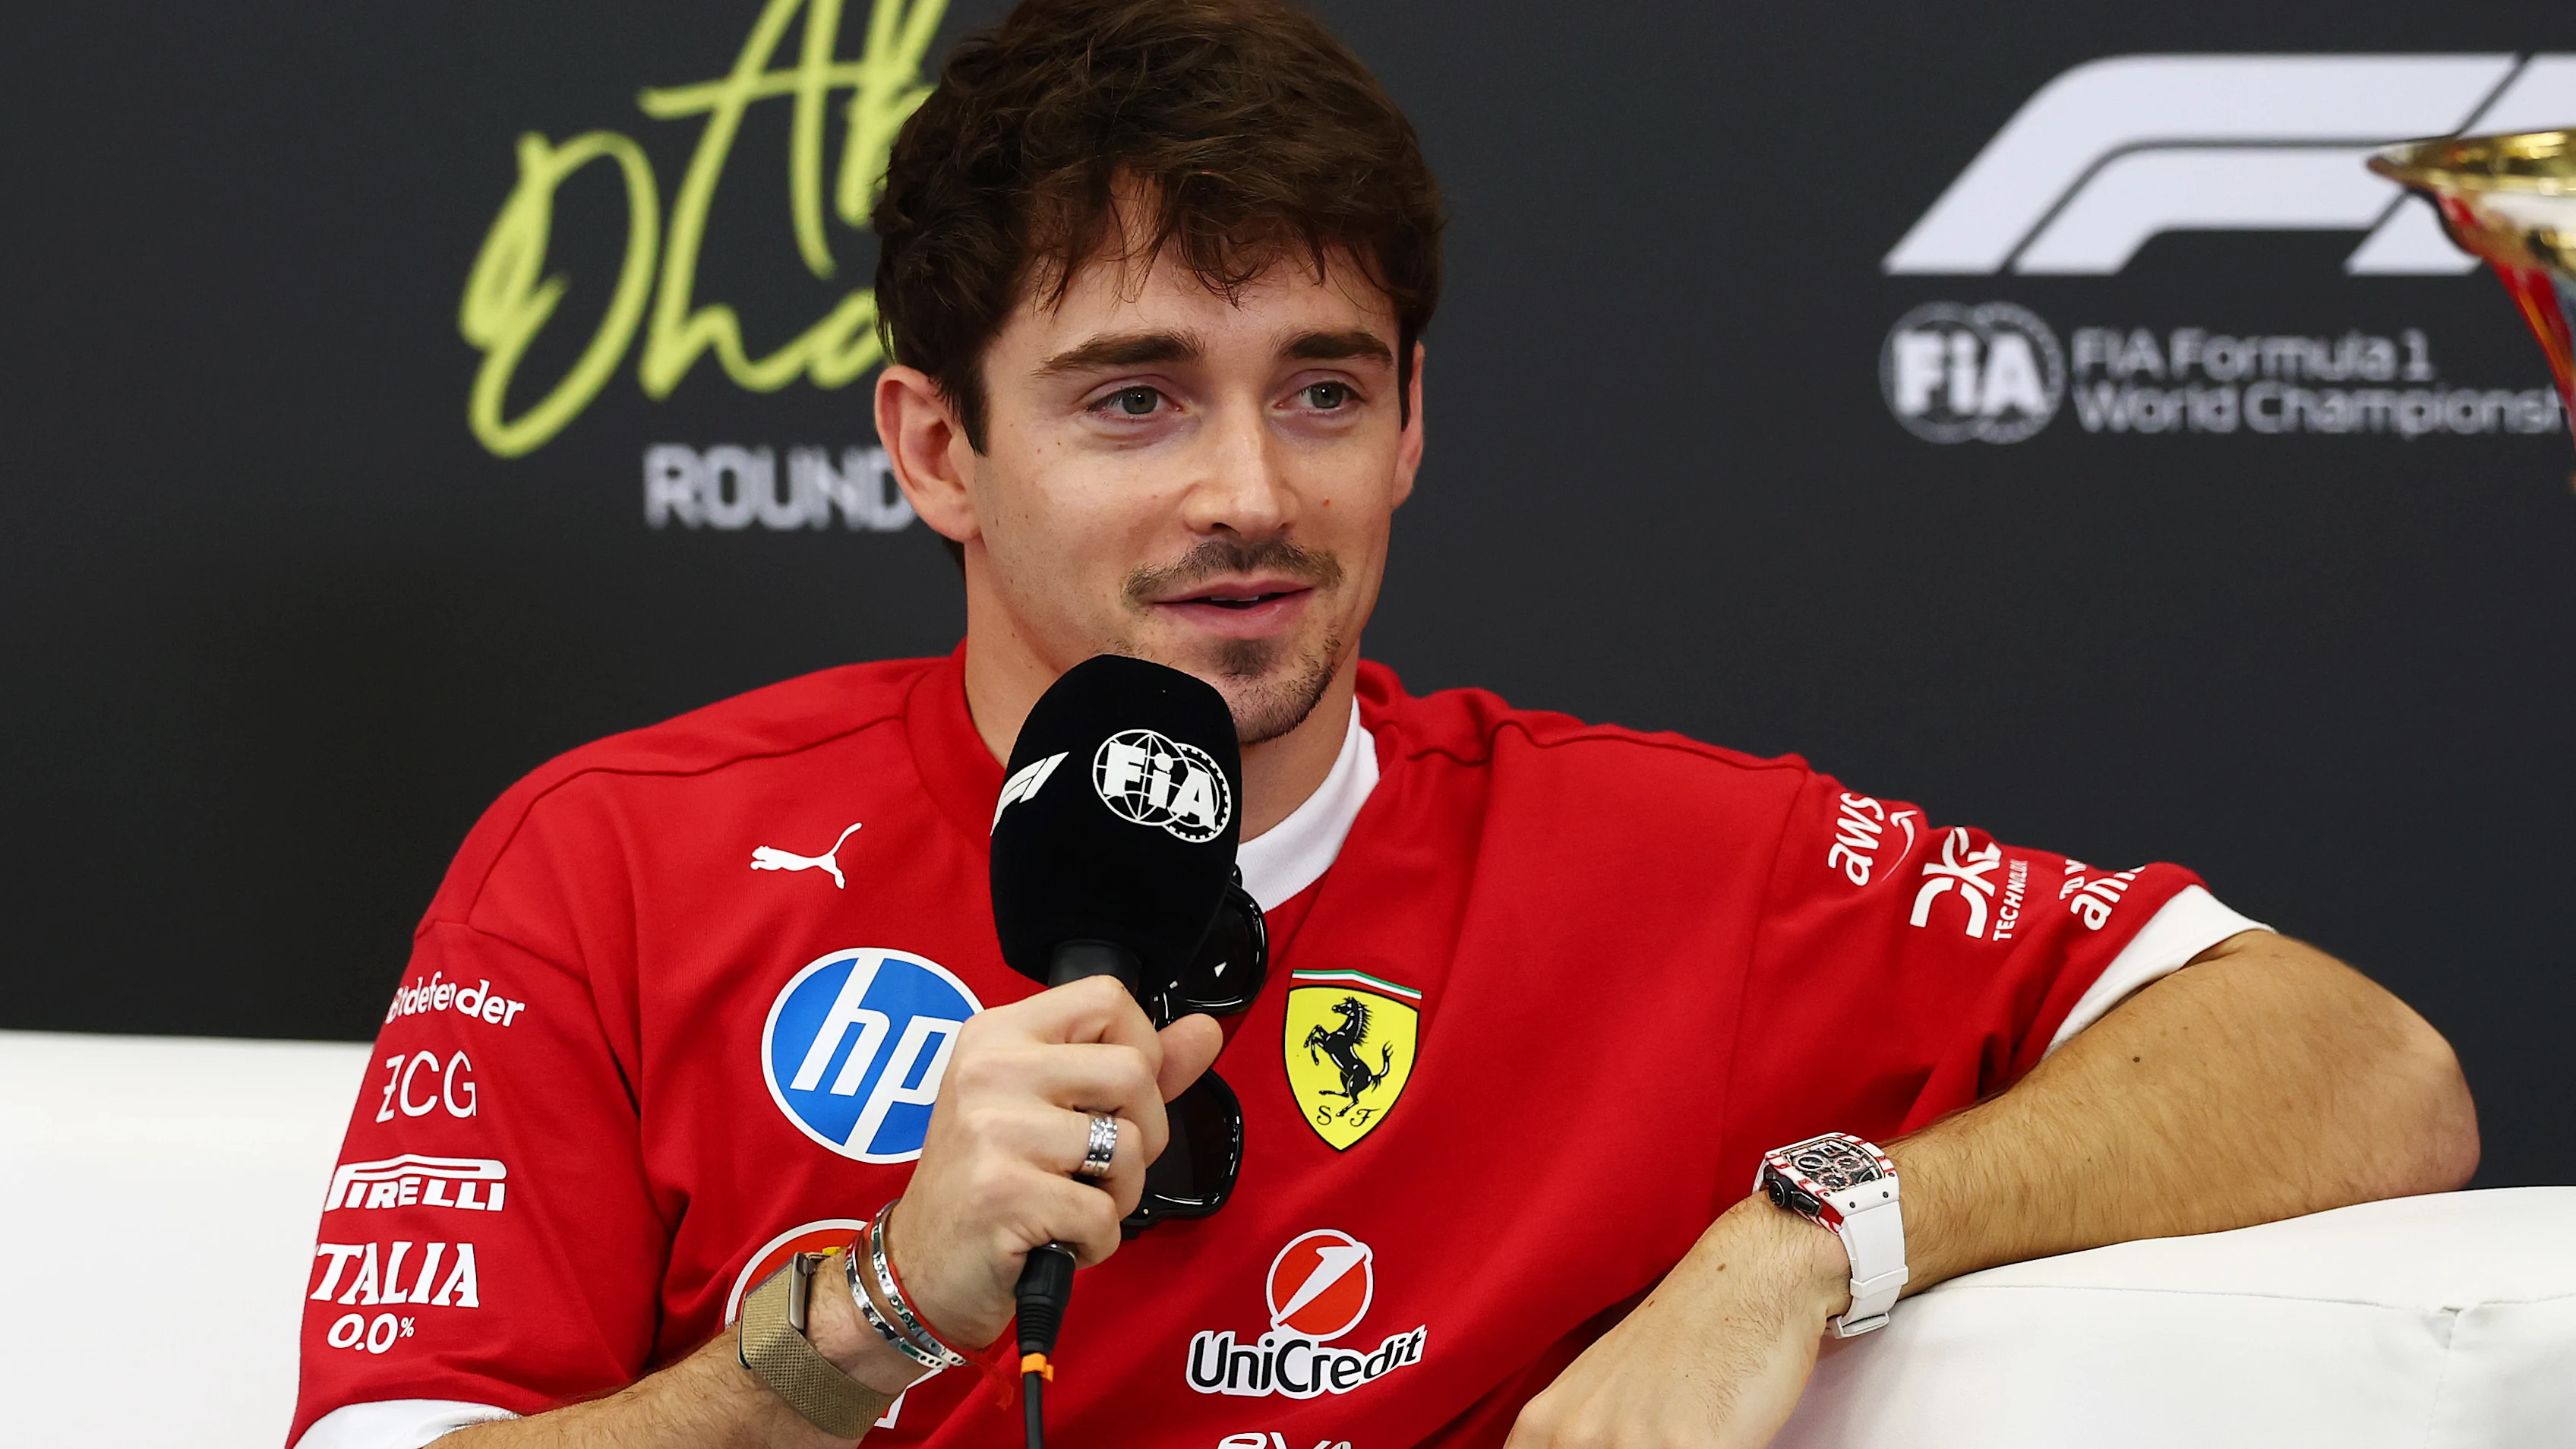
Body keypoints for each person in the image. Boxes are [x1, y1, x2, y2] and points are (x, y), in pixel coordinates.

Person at [287, 2, 2477, 1445]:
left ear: (1414, 421)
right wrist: (875, 1311)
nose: (1250, 490)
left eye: (1323, 388)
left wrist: (1805, 1236)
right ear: (935, 450)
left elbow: (2357, 1056)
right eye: (1134, 396)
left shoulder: (1647, 862)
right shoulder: (617, 860)